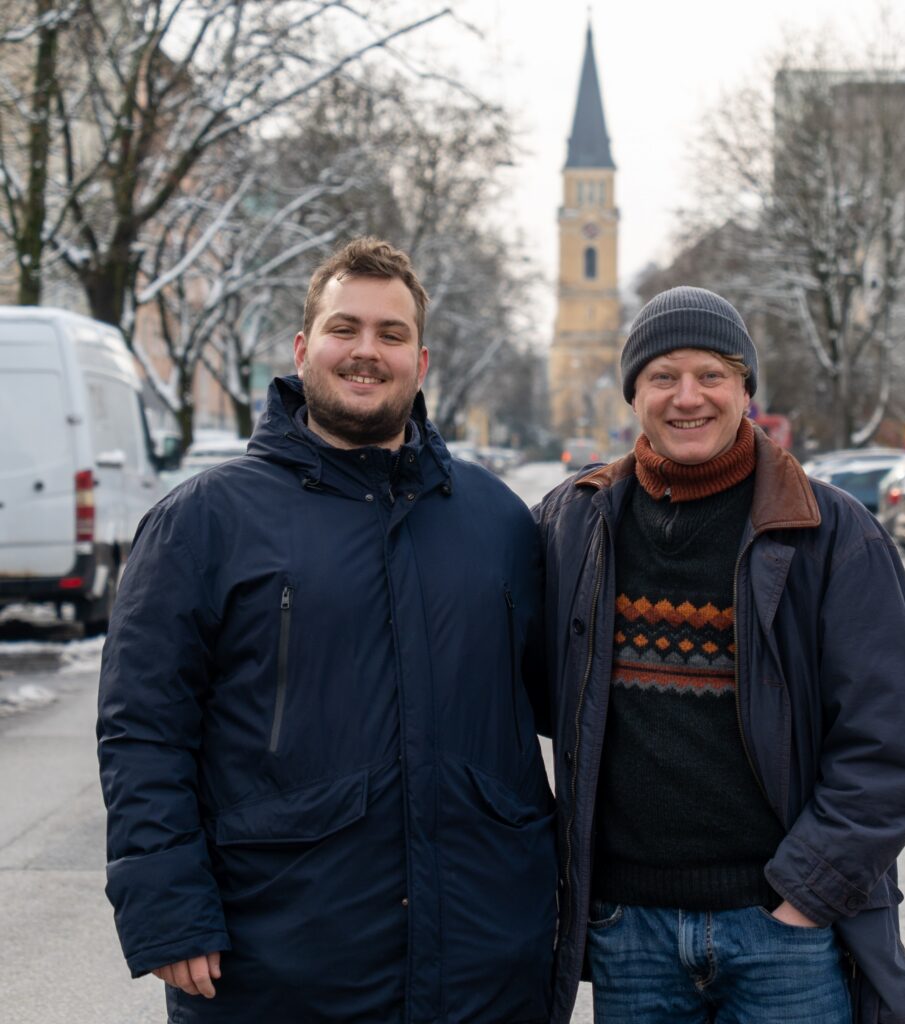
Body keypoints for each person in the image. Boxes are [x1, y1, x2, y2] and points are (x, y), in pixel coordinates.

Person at [97, 237, 557, 1023]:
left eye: (391, 333)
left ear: (422, 359)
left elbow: (561, 704)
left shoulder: (498, 521)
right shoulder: (204, 522)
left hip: (483, 963)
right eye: (346, 329)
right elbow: (143, 730)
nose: (367, 352)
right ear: (305, 348)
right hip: (278, 963)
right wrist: (167, 910)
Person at [533, 286, 905, 1024]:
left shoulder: (832, 534)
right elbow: (506, 685)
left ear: (745, 388)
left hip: (782, 934)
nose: (689, 397)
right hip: (630, 933)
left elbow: (890, 751)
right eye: (663, 376)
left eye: (712, 374)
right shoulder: (573, 525)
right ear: (634, 394)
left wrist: (805, 900)